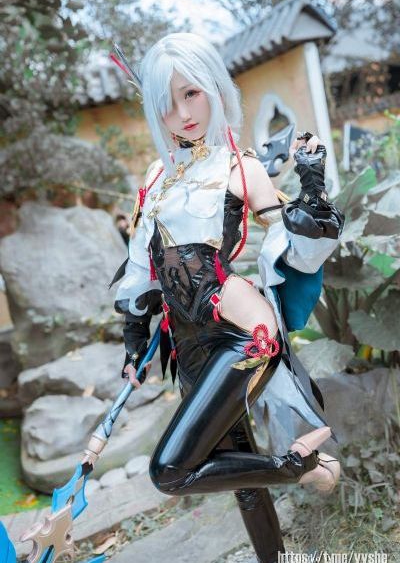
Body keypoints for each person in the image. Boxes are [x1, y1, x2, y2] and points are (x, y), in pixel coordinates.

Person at [109, 32, 345, 563]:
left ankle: (300, 465)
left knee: (170, 471)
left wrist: (312, 187)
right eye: (167, 102)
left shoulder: (241, 167)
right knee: (240, 479)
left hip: (244, 334)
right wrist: (134, 337)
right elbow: (143, 264)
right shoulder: (157, 175)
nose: (182, 113)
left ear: (215, 87)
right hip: (187, 343)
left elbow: (295, 244)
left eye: (191, 93)